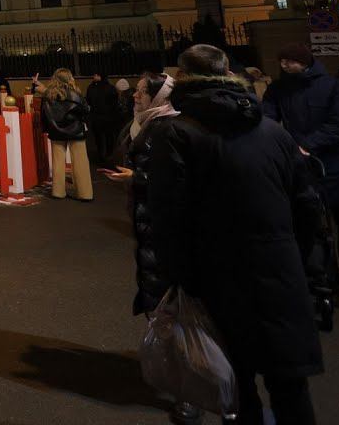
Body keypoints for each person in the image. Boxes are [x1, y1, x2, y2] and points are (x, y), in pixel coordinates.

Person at [149, 45, 323, 423]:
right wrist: (294, 256)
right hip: (280, 268)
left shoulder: (176, 133)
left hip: (215, 274)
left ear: (182, 77)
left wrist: (178, 277)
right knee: (290, 386)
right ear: (228, 71)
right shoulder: (273, 132)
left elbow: (167, 216)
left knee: (237, 390)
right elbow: (308, 207)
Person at [105, 72, 199, 424]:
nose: (135, 96)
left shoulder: (168, 129)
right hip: (150, 225)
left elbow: (176, 179)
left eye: (142, 92)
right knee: (162, 305)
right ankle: (174, 375)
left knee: (175, 309)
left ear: (158, 96)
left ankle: (190, 391)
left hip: (169, 230)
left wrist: (137, 178)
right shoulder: (144, 124)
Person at [261, 42, 339, 269]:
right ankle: (323, 273)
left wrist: (307, 144)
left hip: (334, 164)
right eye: (282, 61)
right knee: (309, 225)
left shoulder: (334, 87)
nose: (284, 65)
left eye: (290, 61)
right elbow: (267, 119)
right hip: (300, 166)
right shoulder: (278, 89)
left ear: (304, 62)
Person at [40, 68, 93, 201]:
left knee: (58, 161)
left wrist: (47, 129)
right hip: (76, 130)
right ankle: (85, 193)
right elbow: (86, 110)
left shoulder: (48, 95)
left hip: (56, 131)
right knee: (80, 162)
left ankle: (58, 192)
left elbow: (44, 114)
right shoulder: (76, 94)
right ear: (70, 78)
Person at [86, 73, 120, 167]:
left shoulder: (92, 87)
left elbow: (88, 100)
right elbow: (115, 102)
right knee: (105, 136)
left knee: (101, 137)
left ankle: (103, 154)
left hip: (99, 117)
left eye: (96, 75)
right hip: (105, 117)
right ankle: (106, 154)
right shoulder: (110, 88)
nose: (93, 76)